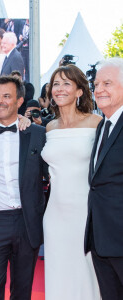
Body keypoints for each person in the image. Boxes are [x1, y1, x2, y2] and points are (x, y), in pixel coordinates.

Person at [0, 75, 48, 300]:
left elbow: (51, 172)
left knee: (22, 288)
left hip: (27, 221)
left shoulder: (37, 135)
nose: (0, 101)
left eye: (6, 96)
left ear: (19, 101)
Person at [41, 64, 102, 300]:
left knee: (87, 272)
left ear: (79, 91)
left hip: (87, 212)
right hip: (55, 214)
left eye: (67, 83)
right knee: (59, 272)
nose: (59, 88)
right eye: (56, 83)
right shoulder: (49, 127)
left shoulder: (96, 122)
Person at [84, 57, 123, 300]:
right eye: (96, 84)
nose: (99, 89)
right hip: (100, 240)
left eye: (107, 83)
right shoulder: (102, 126)